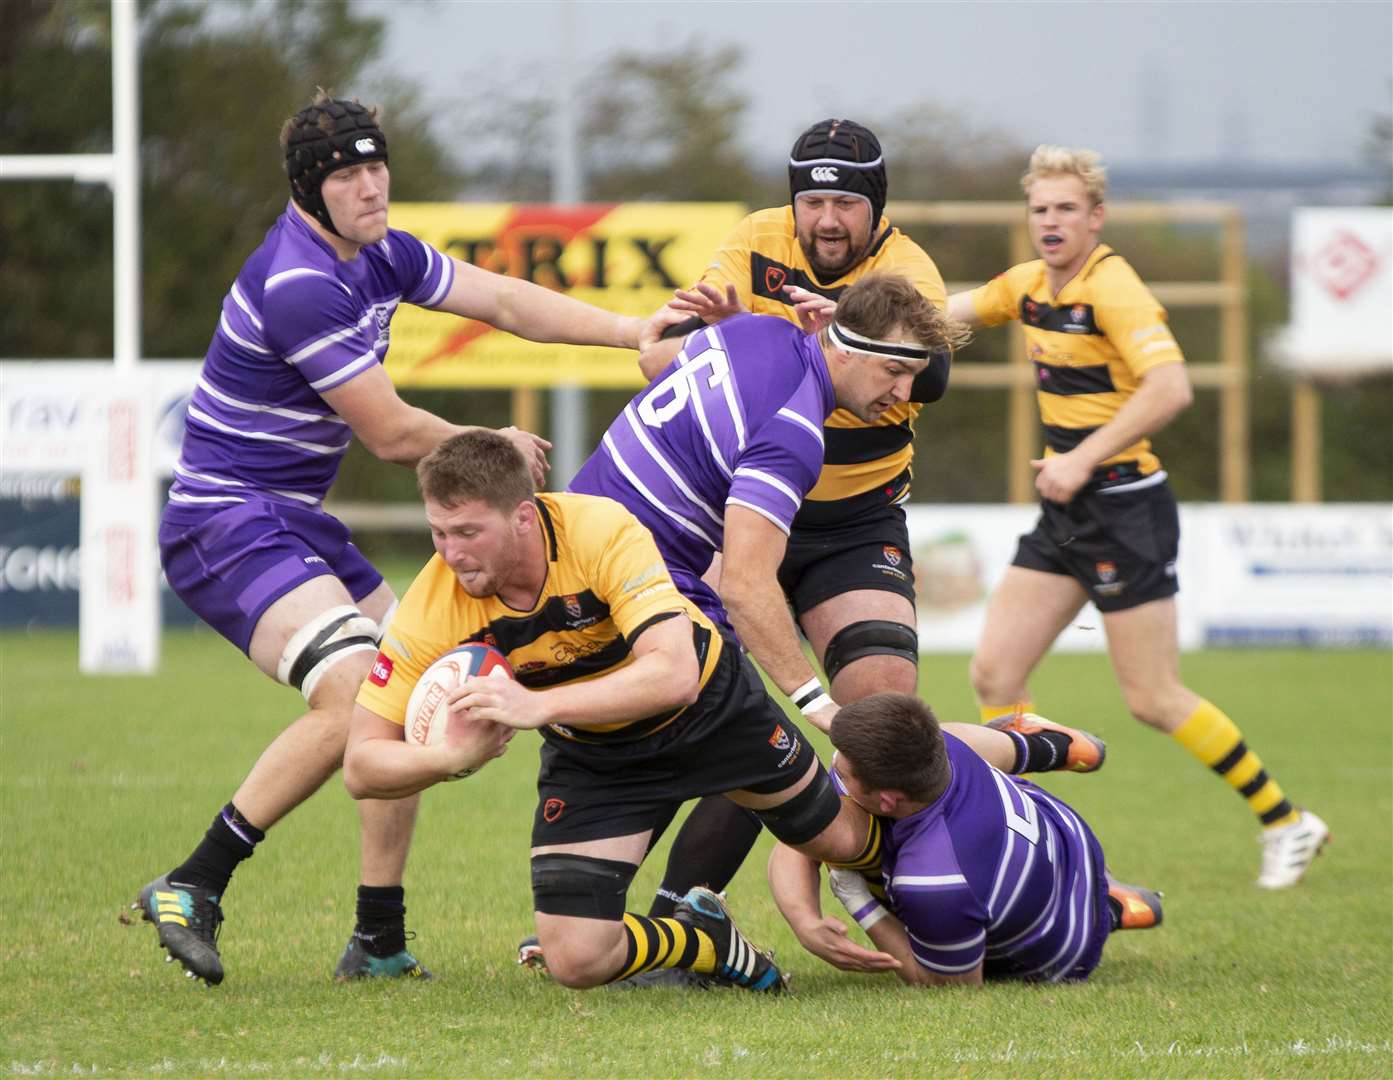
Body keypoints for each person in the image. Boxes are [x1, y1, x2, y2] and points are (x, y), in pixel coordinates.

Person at [133, 91, 675, 986]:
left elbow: (499, 297)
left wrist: (630, 330)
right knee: (354, 702)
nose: (370, 186)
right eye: (347, 174)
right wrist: (489, 448)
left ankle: (378, 937)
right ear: (310, 189)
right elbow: (386, 433)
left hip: (294, 518)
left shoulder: (379, 253)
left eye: (376, 166)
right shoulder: (299, 281)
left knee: (410, 692)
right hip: (225, 519)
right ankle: (196, 880)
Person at [342, 430, 891, 994]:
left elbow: (673, 674)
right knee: (575, 960)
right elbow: (361, 766)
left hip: (714, 713)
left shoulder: (598, 529)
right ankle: (708, 942)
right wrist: (447, 756)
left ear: (524, 518)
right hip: (595, 755)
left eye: (467, 532)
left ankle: (959, 854)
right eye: (438, 532)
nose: (451, 553)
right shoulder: (432, 606)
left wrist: (536, 705)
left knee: (846, 844)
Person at [945, 145, 1327, 889]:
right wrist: (850, 317)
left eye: (1065, 210)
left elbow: (1171, 388)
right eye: (1039, 209)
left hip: (1124, 507)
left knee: (1151, 697)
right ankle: (1042, 850)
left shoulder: (1113, 288)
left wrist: (1081, 457)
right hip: (1065, 508)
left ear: (1096, 217)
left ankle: (1285, 819)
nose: (1050, 222)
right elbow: (942, 314)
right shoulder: (1027, 285)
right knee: (994, 670)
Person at [629, 119, 956, 919]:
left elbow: (934, 374)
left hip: (853, 524)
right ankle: (669, 909)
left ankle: (883, 879)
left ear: (874, 206)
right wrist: (726, 331)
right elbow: (659, 351)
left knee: (883, 712)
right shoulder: (752, 240)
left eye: (846, 201)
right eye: (812, 200)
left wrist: (845, 329)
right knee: (702, 701)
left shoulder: (907, 268)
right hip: (741, 517)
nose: (828, 220)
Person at [769, 692, 1163, 986]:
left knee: (881, 874)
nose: (834, 765)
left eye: (845, 768)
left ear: (888, 799)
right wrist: (805, 922)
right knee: (957, 741)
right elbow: (806, 832)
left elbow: (952, 987)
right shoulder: (937, 749)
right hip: (1066, 835)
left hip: (1061, 948)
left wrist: (858, 902)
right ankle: (1050, 746)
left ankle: (1107, 911)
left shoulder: (935, 880)